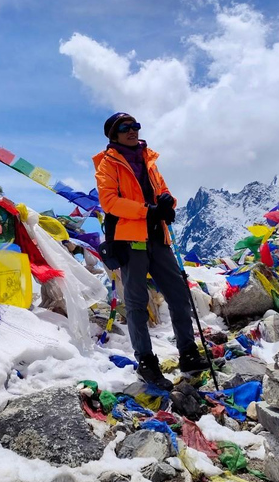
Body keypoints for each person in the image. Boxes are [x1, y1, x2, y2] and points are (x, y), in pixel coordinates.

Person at [93, 112, 210, 390]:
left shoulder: (149, 159)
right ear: (114, 135)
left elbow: (163, 190)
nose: (132, 131)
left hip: (158, 238)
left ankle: (188, 354)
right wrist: (148, 211)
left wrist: (167, 201)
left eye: (135, 126)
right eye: (125, 127)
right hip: (131, 240)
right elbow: (110, 202)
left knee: (179, 295)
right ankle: (146, 362)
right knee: (136, 304)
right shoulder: (107, 165)